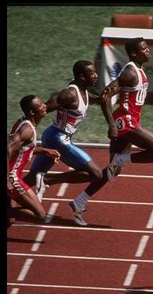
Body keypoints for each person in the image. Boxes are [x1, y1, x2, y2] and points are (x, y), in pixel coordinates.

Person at [68, 37, 153, 225]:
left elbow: (141, 99)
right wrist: (110, 124)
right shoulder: (130, 72)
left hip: (127, 122)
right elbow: (105, 95)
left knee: (111, 171)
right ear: (134, 53)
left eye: (148, 48)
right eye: (144, 49)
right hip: (126, 124)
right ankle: (122, 158)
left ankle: (79, 201)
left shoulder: (140, 72)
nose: (148, 51)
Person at [23, 60, 107, 226]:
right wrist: (26, 126)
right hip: (58, 139)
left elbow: (85, 98)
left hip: (54, 136)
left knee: (31, 178)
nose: (96, 75)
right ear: (82, 77)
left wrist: (98, 98)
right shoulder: (69, 94)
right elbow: (47, 107)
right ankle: (47, 180)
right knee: (96, 174)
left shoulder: (82, 90)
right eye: (92, 73)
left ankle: (11, 195)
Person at [7, 95, 61, 226]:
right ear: (31, 112)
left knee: (10, 221)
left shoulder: (22, 122)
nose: (45, 107)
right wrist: (7, 179)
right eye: (41, 105)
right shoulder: (27, 130)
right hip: (12, 176)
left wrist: (44, 151)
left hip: (14, 175)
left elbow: (22, 149)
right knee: (40, 214)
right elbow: (8, 149)